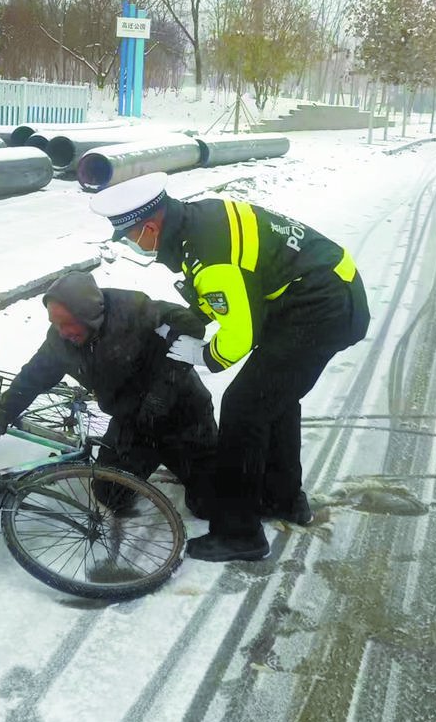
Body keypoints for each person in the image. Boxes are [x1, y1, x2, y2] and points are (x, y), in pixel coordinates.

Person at [90, 173, 370, 563]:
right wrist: (188, 319)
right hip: (315, 291)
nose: (134, 245)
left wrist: (203, 356)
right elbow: (233, 287)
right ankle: (283, 499)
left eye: (132, 237)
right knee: (276, 398)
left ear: (150, 227)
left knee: (244, 407)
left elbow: (240, 331)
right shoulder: (197, 219)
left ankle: (240, 534)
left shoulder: (206, 254)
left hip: (320, 306)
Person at [0, 270, 218, 515]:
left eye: (68, 323)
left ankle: (197, 462)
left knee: (209, 505)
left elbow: (190, 324)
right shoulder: (61, 341)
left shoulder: (133, 310)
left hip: (183, 416)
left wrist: (163, 391)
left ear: (88, 316)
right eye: (55, 324)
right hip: (133, 423)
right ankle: (150, 459)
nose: (62, 331)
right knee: (109, 493)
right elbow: (32, 378)